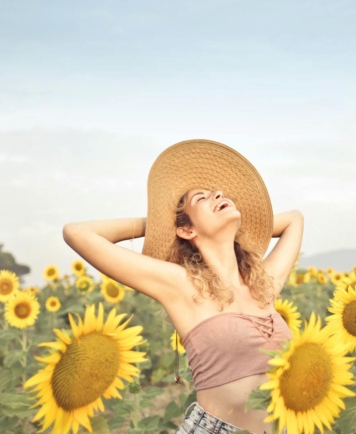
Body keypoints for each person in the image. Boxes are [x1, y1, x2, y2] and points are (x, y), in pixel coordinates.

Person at [63, 139, 304, 434]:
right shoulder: (182, 285)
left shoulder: (262, 284)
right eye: (202, 198)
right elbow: (77, 233)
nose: (218, 194)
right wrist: (158, 225)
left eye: (220, 194)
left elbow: (295, 220)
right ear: (187, 229)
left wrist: (244, 225)